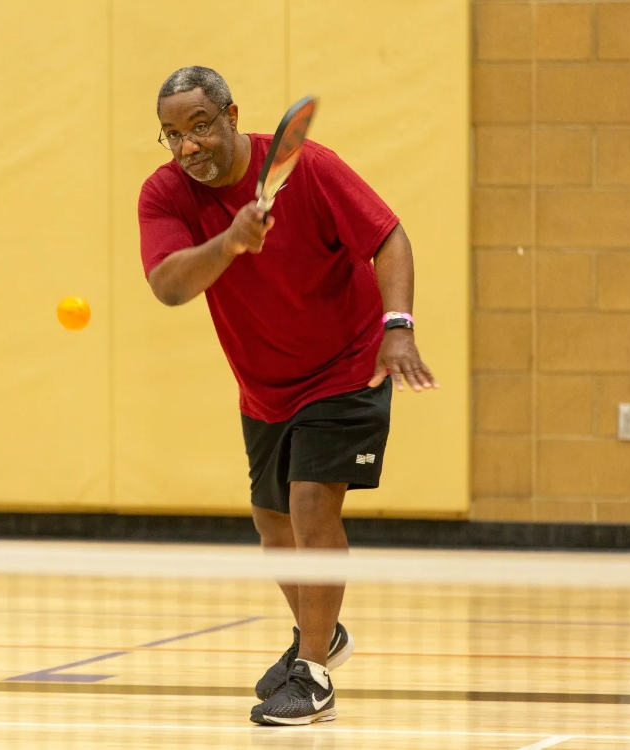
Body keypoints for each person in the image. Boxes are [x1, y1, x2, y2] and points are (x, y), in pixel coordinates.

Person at [137, 66, 438, 726]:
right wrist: (230, 241)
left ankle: (314, 672)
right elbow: (168, 284)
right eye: (171, 135)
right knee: (271, 522)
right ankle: (322, 633)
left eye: (198, 127)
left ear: (231, 116)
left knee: (309, 503)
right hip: (264, 382)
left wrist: (398, 327)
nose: (187, 147)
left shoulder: (311, 170)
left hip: (349, 361)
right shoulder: (164, 197)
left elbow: (388, 238)